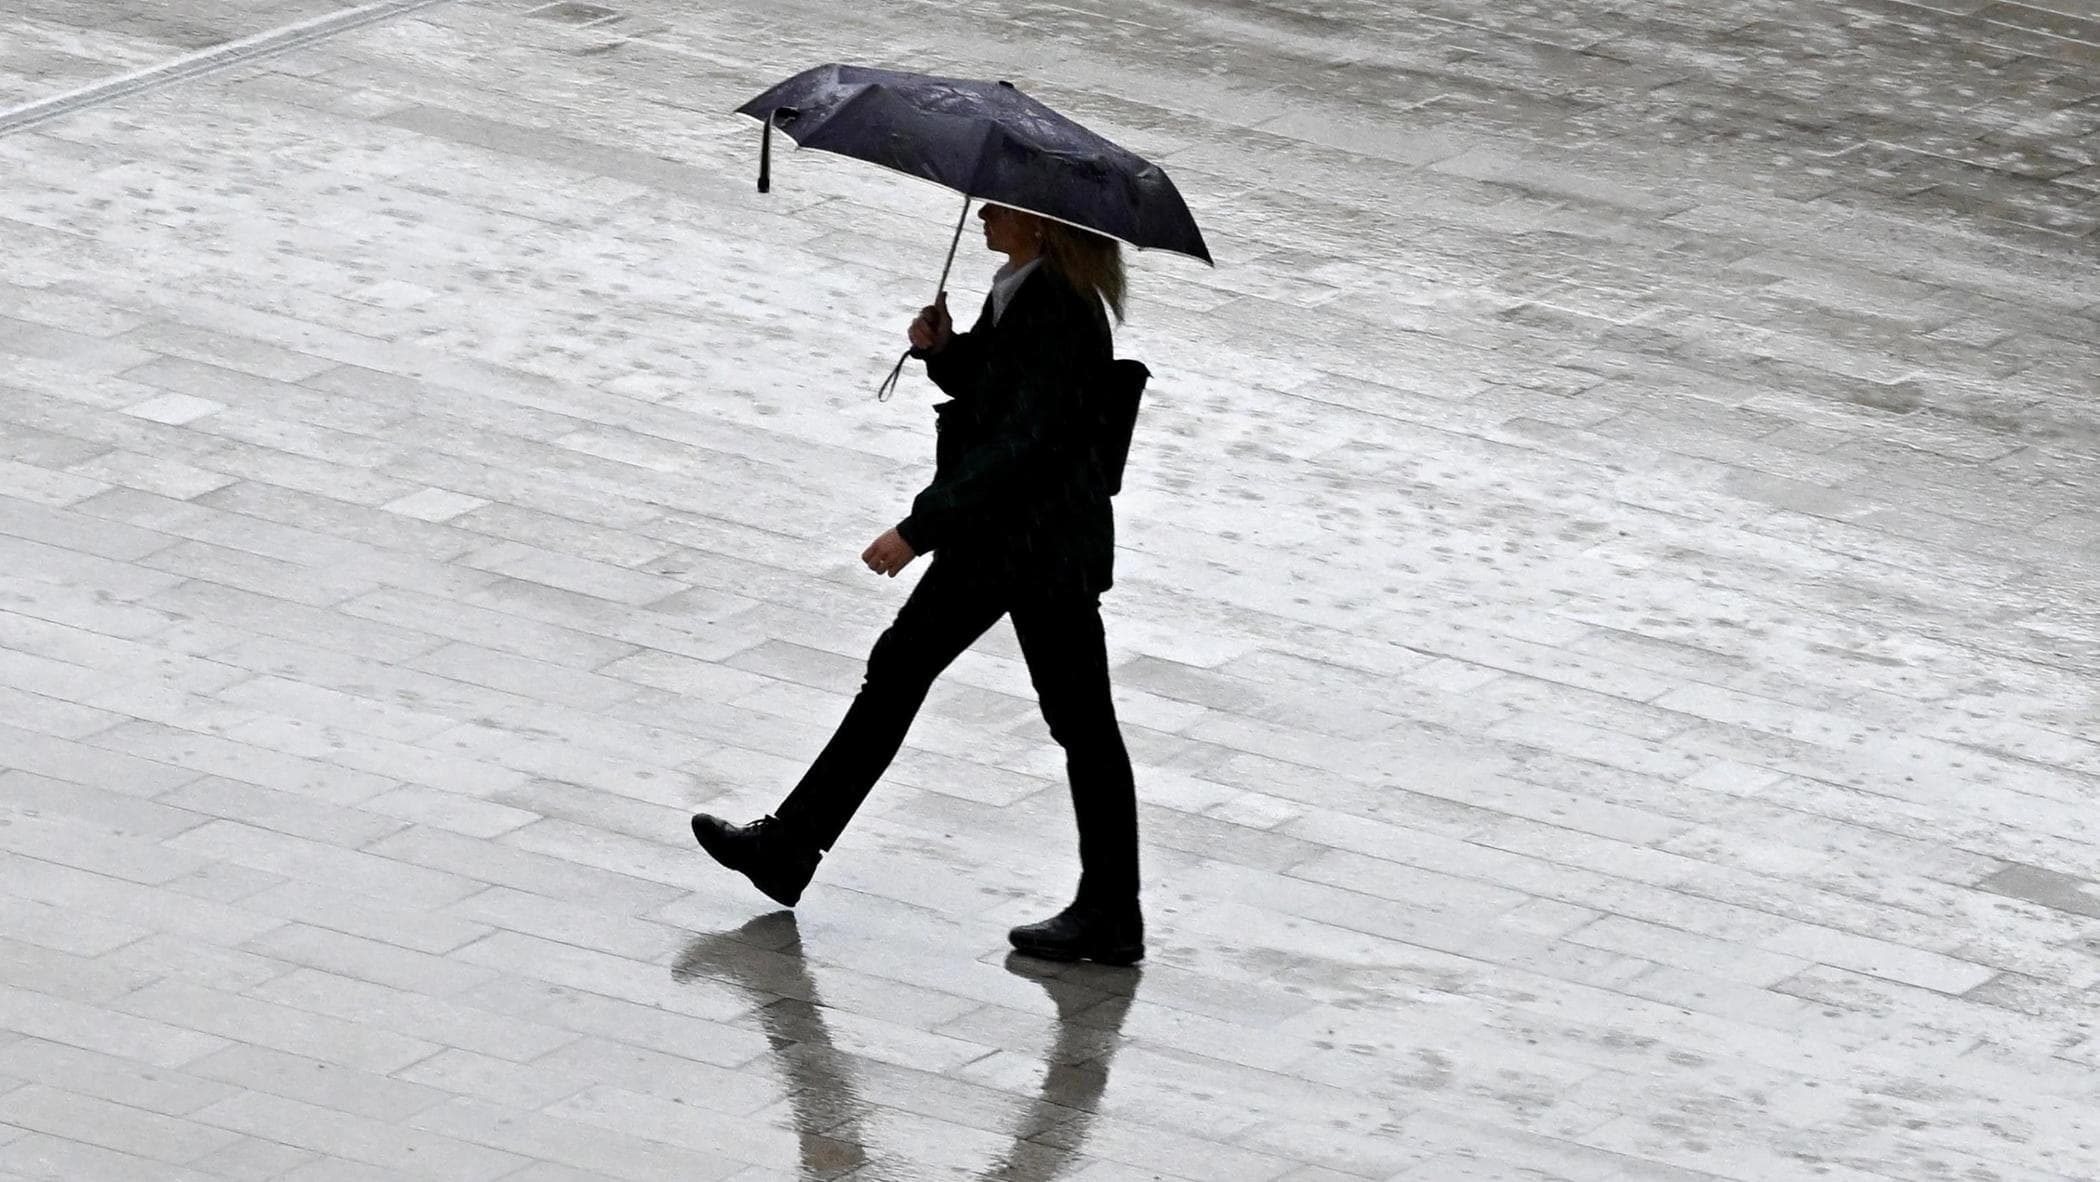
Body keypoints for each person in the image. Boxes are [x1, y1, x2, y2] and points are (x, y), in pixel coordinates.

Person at [689, 203, 1145, 966]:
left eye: (1000, 206)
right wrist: (944, 350)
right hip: (1013, 541)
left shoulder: (1060, 306)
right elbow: (999, 392)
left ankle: (1111, 911)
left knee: (1079, 723)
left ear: (1039, 225)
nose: (985, 215)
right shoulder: (1026, 290)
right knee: (911, 674)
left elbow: (1020, 445)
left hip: (1032, 547)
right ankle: (790, 849)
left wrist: (918, 529)